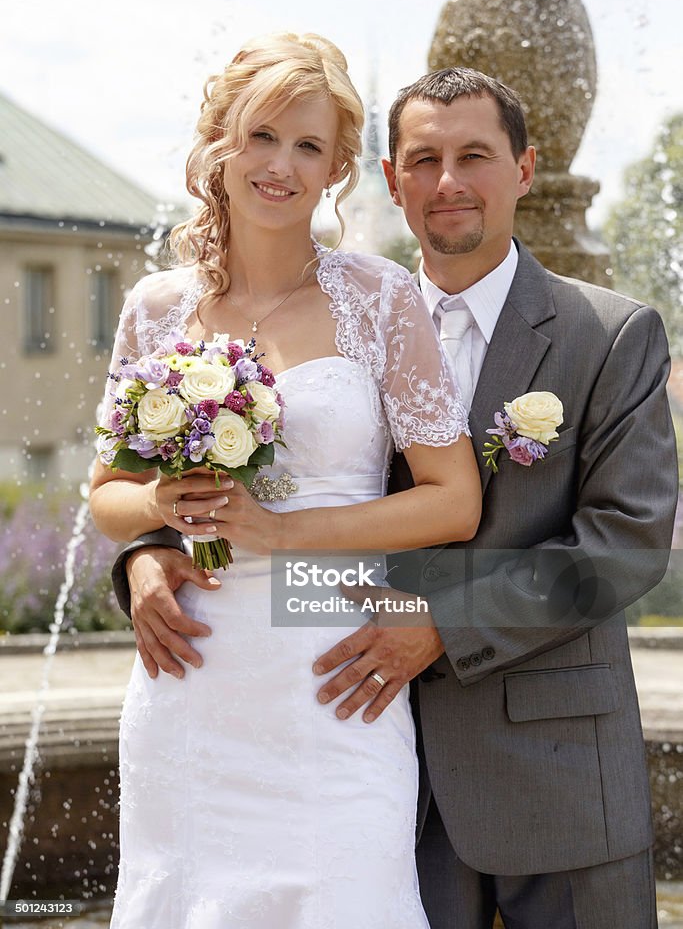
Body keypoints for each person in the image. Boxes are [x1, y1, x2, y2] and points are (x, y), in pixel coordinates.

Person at [115, 65, 678, 929]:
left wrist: (444, 622)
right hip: (358, 734)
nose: (446, 183)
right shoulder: (354, 306)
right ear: (388, 177)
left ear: (524, 169)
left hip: (549, 767)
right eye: (422, 159)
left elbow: (623, 547)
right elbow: (275, 531)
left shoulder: (608, 333)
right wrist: (152, 550)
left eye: (474, 157)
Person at [90, 33, 481, 928]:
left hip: (332, 662)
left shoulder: (382, 300)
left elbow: (454, 501)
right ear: (217, 141)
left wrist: (282, 535)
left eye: (309, 146)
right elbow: (107, 492)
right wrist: (156, 515)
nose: (281, 165)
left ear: (337, 168)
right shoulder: (157, 306)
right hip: (192, 670)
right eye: (263, 135)